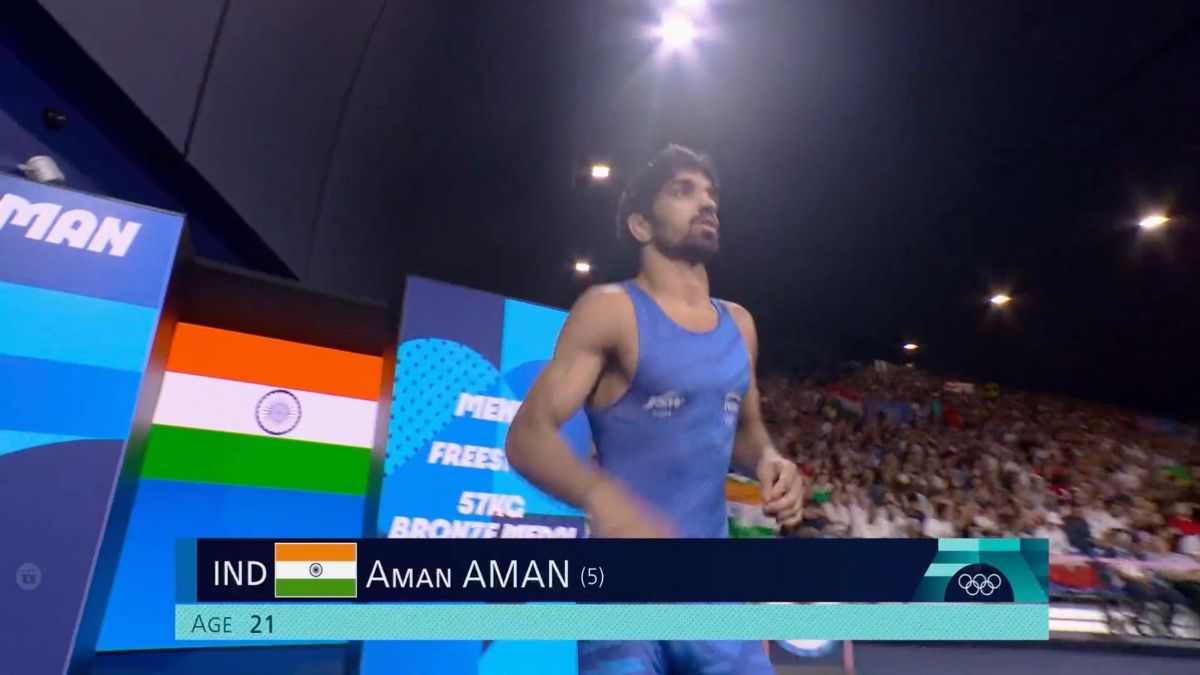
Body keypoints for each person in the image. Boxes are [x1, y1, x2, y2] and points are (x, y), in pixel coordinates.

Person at [506, 144, 803, 674]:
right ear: (641, 225)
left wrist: (770, 460)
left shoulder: (740, 324)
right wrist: (601, 496)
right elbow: (527, 437)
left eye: (710, 193)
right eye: (682, 191)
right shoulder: (610, 310)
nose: (707, 203)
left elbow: (746, 428)